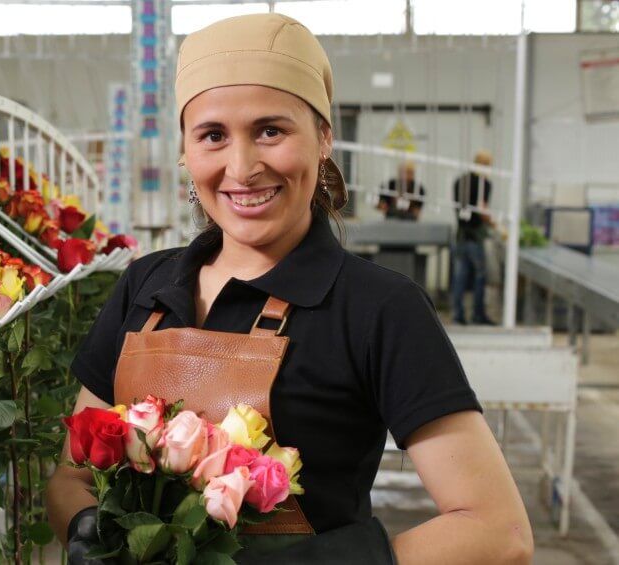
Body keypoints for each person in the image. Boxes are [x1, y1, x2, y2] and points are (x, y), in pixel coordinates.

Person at [45, 13, 532, 564]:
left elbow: (498, 532)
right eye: (212, 136)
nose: (242, 167)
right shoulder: (145, 284)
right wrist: (90, 532)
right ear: (185, 150)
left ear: (324, 138)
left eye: (270, 131)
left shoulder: (377, 308)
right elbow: (70, 477)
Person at [451, 151, 496, 325]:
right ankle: (478, 314)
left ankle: (458, 314)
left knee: (460, 277)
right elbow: (482, 210)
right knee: (480, 276)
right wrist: (495, 224)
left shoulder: (460, 181)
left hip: (460, 235)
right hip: (475, 236)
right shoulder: (484, 184)